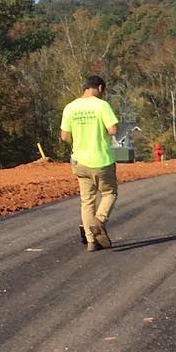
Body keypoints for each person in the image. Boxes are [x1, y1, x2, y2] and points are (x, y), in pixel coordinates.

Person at [60, 75, 119, 251]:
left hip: (79, 161)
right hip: (101, 160)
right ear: (100, 88)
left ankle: (91, 242)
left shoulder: (70, 107)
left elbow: (64, 136)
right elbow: (113, 129)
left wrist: (77, 143)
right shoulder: (101, 105)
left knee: (87, 201)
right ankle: (99, 221)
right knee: (110, 193)